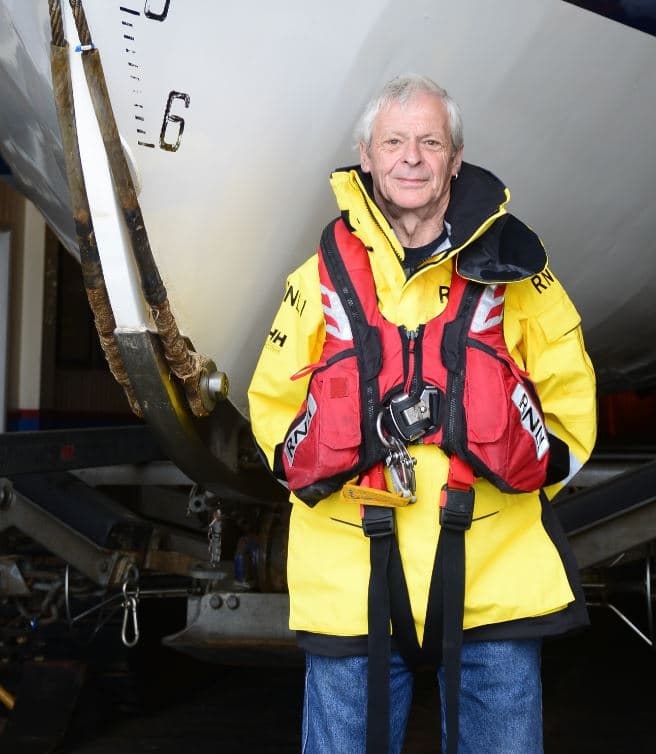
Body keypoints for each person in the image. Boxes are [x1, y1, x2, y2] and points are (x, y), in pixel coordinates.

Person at [248, 74, 597, 754]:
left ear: (455, 159)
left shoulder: (520, 275)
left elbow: (571, 423)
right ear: (367, 155)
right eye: (395, 142)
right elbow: (272, 420)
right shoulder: (315, 280)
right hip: (353, 586)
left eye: (430, 142)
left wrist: (499, 470)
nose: (412, 158)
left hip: (493, 586)